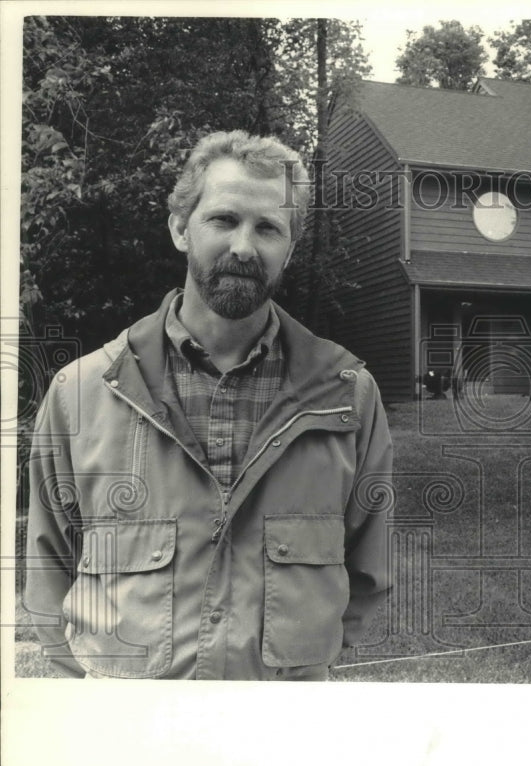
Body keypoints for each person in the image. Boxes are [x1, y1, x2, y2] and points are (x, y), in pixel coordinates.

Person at [25, 130, 392, 680]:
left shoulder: (347, 397)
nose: (244, 246)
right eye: (224, 219)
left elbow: (367, 573)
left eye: (268, 228)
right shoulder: (82, 393)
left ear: (288, 250)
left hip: (277, 735)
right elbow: (48, 572)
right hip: (132, 739)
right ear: (180, 228)